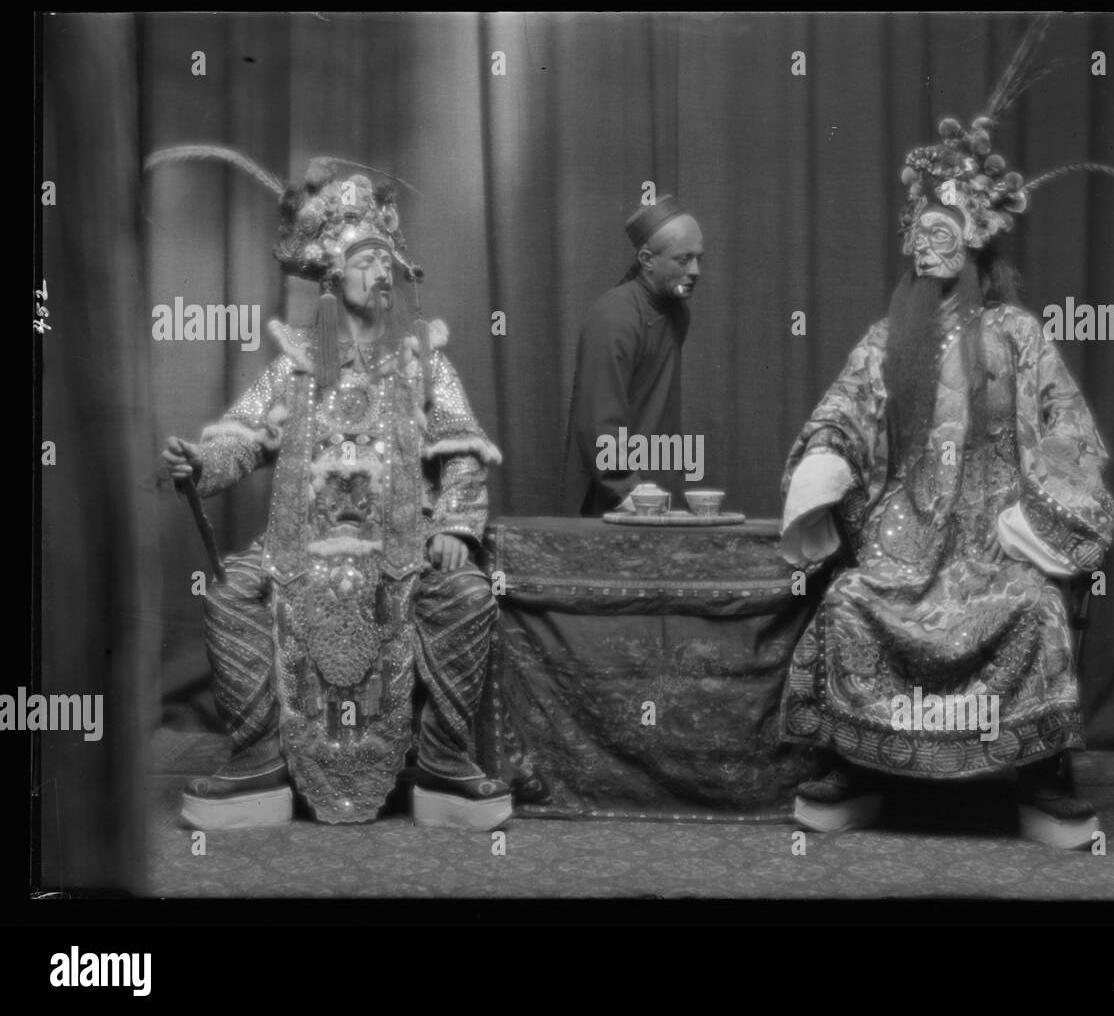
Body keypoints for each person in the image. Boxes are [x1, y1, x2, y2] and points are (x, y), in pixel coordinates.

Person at [777, 47, 1114, 847]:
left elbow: (1069, 432)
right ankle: (856, 762)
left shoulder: (1019, 336)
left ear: (972, 242)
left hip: (994, 542)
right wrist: (827, 456)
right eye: (916, 235)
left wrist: (1041, 513)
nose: (924, 250)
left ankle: (1043, 770)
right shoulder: (891, 338)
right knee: (851, 604)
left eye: (939, 234)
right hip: (908, 541)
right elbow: (846, 407)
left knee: (1033, 611)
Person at [157, 151, 514, 831]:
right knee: (233, 592)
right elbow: (244, 437)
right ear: (331, 275)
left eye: (387, 261)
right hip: (301, 552)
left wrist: (455, 528)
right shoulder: (295, 366)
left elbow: (464, 451)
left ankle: (443, 756)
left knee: (467, 596)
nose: (380, 271)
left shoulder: (423, 360)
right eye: (364, 260)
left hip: (398, 552)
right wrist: (201, 463)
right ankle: (258, 757)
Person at [561, 195, 704, 515]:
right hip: (618, 503)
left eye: (699, 258)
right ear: (646, 259)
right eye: (684, 259)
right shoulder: (614, 317)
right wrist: (630, 491)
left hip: (656, 491)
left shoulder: (677, 312)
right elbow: (600, 421)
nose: (696, 270)